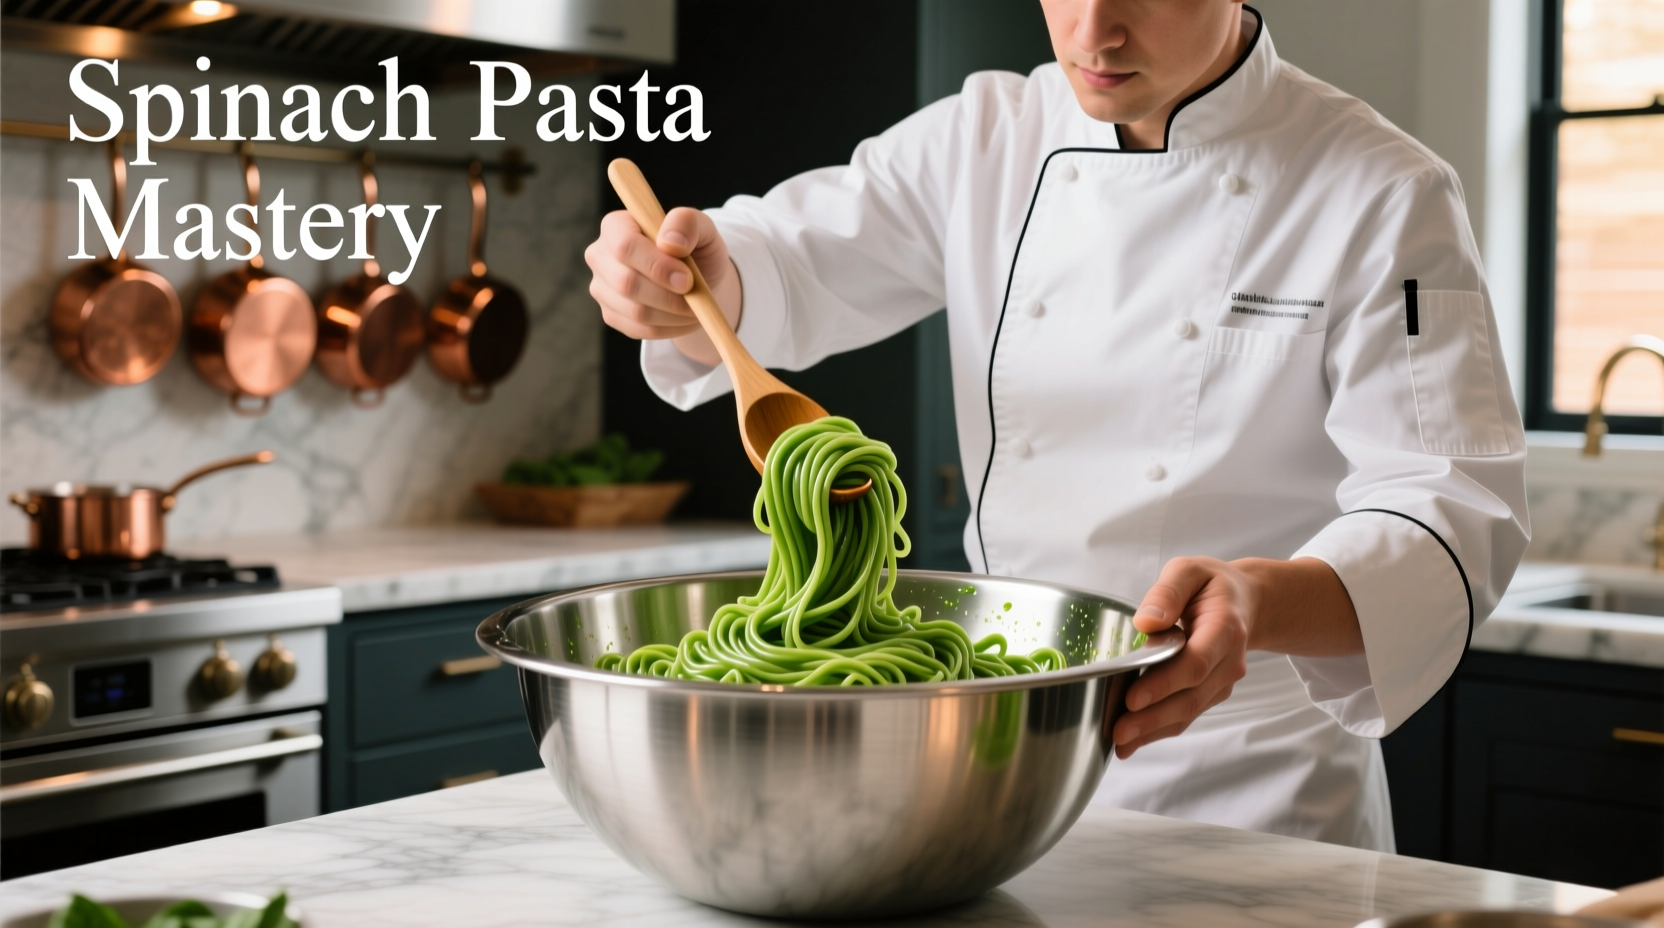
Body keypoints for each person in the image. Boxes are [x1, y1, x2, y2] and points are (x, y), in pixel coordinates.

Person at [584, 0, 1528, 851]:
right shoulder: (987, 135)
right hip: (1005, 779)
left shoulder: (1386, 190)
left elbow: (1449, 507)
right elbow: (791, 261)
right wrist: (688, 287)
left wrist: (1259, 598)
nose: (1091, 32)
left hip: (1251, 794)